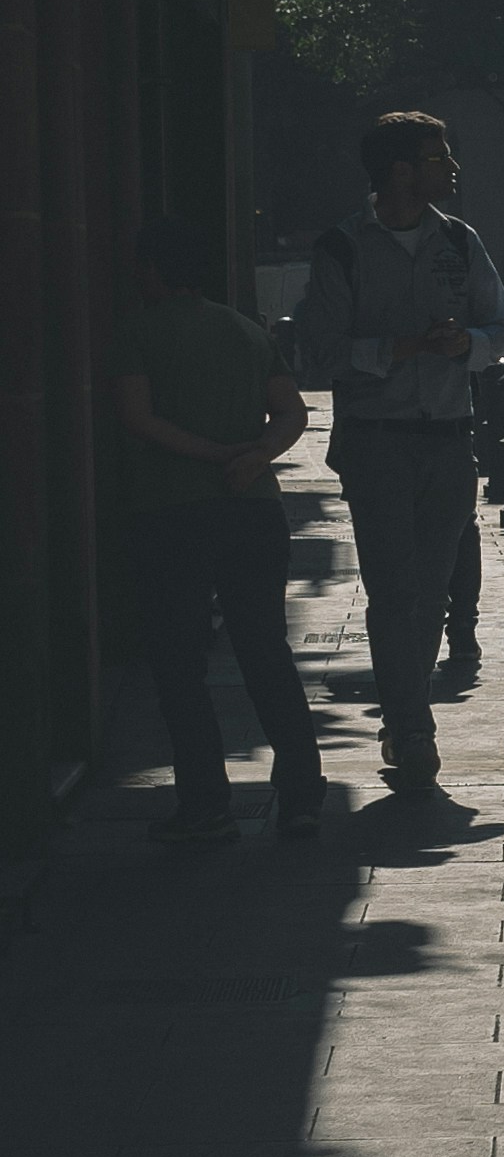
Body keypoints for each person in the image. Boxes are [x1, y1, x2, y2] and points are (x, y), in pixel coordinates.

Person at [299, 111, 504, 796]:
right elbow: (321, 351)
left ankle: (405, 717)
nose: (450, 168)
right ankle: (413, 727)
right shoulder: (342, 247)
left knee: (433, 594)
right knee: (395, 593)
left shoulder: (460, 239)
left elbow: (501, 325)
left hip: (450, 440)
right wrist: (402, 349)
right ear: (401, 171)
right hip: (378, 445)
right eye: (437, 157)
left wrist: (467, 345)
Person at [111, 215, 324, 842]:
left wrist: (209, 455)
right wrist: (255, 455)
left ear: (150, 269)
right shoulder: (246, 331)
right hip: (254, 511)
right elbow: (292, 410)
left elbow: (137, 417)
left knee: (178, 664)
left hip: (171, 514)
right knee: (266, 653)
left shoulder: (136, 332)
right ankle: (304, 798)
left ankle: (205, 806)